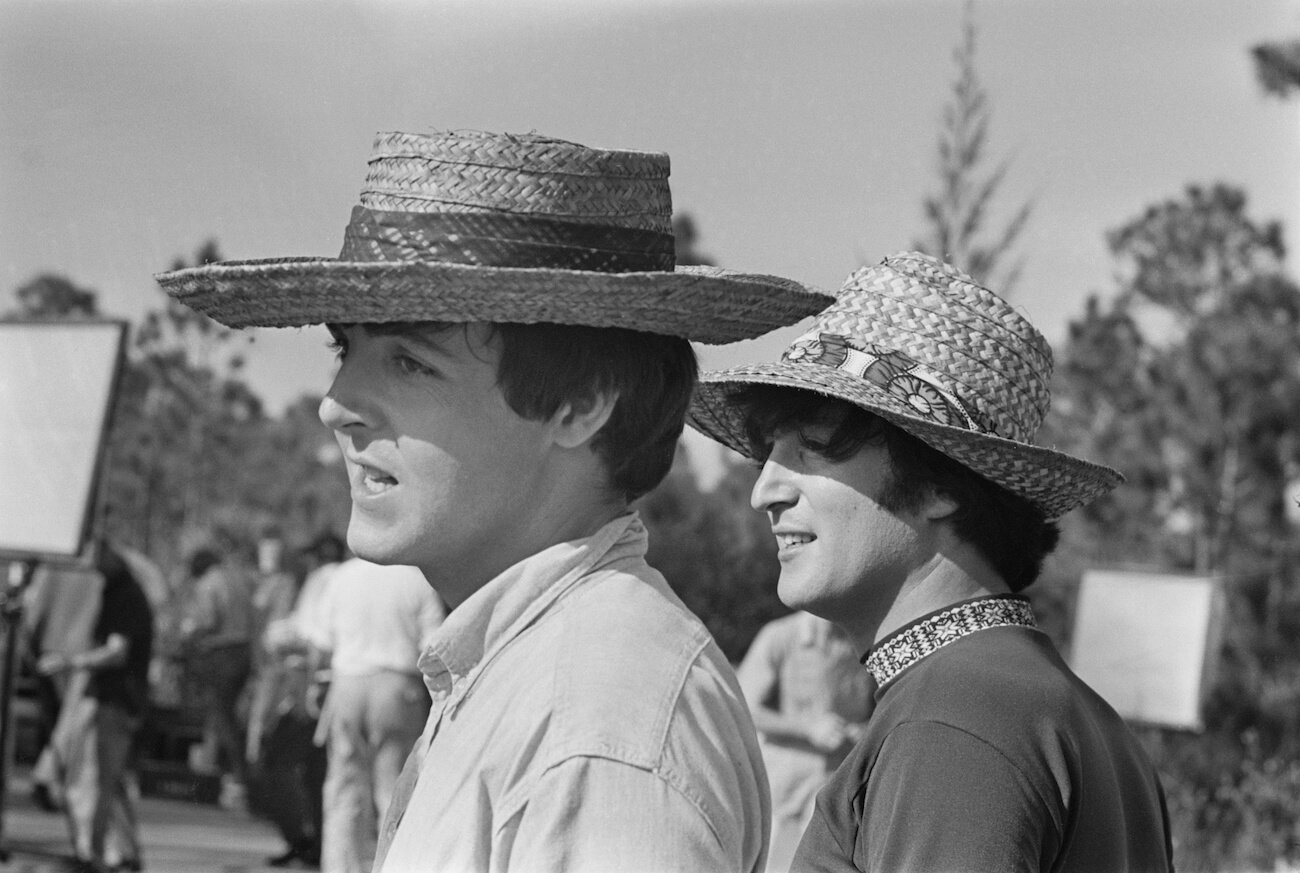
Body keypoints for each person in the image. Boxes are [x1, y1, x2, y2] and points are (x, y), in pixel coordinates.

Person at [156, 128, 826, 872]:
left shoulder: (597, 725)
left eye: (409, 361)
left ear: (580, 404)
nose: (336, 404)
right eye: (344, 350)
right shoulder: (530, 670)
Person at [689, 251, 1175, 872]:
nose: (767, 491)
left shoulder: (953, 719)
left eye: (814, 449)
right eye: (768, 456)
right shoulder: (1070, 718)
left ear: (942, 483)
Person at [295, 557, 442, 873]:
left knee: (343, 788)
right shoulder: (417, 577)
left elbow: (321, 642)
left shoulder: (341, 576)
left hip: (347, 685)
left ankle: (340, 867)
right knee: (395, 789)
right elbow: (433, 643)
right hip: (397, 688)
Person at [38, 542, 154, 873]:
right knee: (109, 781)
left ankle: (98, 854)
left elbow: (117, 651)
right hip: (111, 696)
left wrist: (69, 663)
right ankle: (122, 853)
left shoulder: (126, 595)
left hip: (117, 699)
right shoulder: (116, 589)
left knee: (95, 779)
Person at [737, 612, 873, 873]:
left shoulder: (864, 639)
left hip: (839, 791)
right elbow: (743, 705)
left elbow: (882, 707)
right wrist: (807, 727)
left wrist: (864, 730)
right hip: (784, 793)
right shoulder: (779, 635)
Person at [245, 533, 343, 869]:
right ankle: (311, 841)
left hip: (308, 683)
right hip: (321, 682)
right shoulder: (336, 578)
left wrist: (282, 638)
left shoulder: (324, 580)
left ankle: (306, 840)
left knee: (279, 763)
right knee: (315, 771)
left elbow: (316, 636)